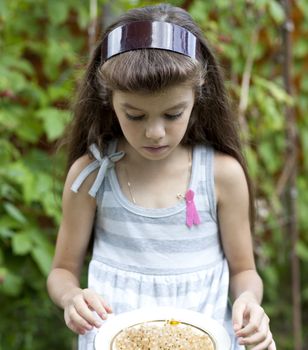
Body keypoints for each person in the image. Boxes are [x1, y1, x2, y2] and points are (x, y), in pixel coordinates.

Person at [47, 3, 276, 350]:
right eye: (135, 115)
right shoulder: (91, 176)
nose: (155, 132)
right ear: (110, 100)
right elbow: (62, 270)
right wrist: (71, 298)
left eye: (172, 114)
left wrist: (249, 302)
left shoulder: (219, 176)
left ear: (197, 98)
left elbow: (244, 271)